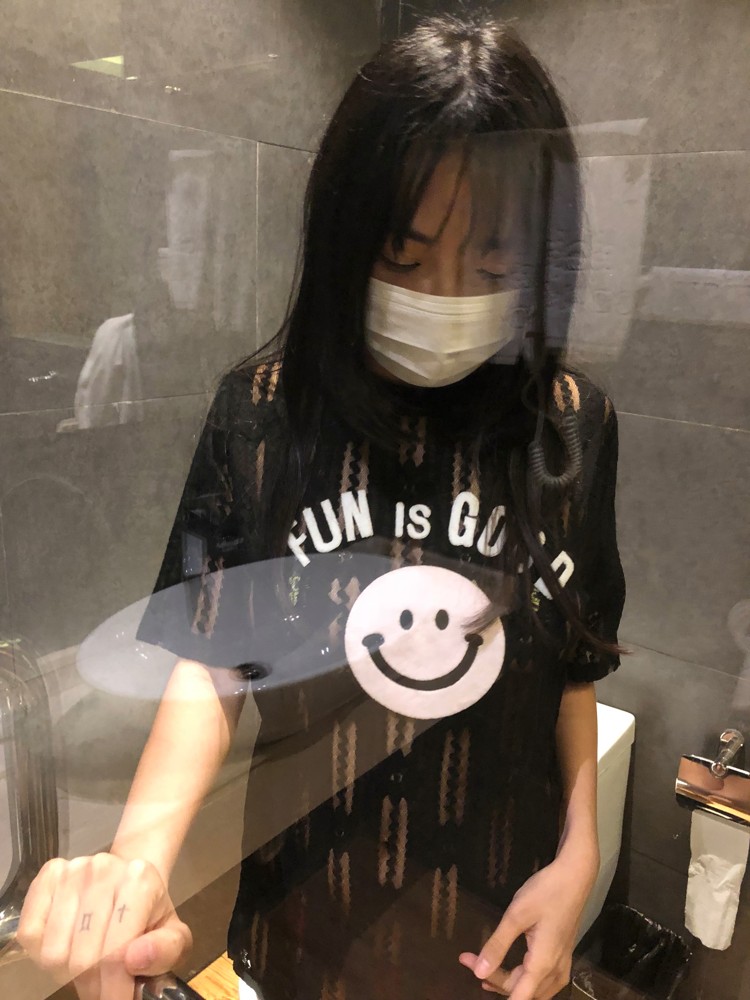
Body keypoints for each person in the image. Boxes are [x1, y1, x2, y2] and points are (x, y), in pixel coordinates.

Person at [18, 13, 625, 1000]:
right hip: (301, 933)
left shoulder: (572, 427)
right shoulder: (263, 415)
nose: (445, 295)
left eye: (492, 266)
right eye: (404, 255)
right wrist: (137, 862)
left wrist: (580, 856)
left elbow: (572, 668)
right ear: (345, 241)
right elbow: (211, 661)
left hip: (497, 944)